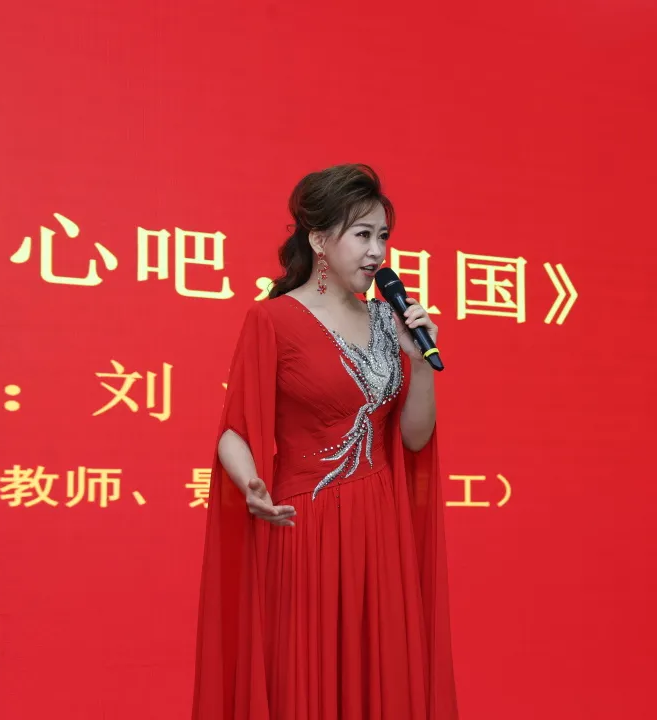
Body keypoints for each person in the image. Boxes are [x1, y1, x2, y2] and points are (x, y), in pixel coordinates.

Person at [192, 164, 459, 719]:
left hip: (381, 529)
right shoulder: (273, 320)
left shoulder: (391, 322)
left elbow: (414, 439)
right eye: (362, 234)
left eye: (383, 236)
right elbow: (234, 432)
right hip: (305, 526)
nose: (376, 251)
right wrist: (251, 482)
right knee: (305, 681)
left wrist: (420, 363)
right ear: (318, 240)